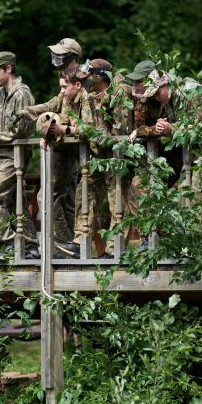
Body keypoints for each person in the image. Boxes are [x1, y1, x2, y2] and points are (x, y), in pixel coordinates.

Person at [25, 69, 103, 257]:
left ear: (77, 85)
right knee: (47, 197)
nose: (61, 91)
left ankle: (74, 245)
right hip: (73, 155)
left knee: (83, 201)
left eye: (64, 87)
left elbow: (89, 129)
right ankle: (64, 243)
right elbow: (59, 120)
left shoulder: (86, 98)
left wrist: (63, 129)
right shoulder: (66, 99)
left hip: (97, 156)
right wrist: (49, 134)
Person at [0, 51, 38, 260]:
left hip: (16, 156)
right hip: (1, 155)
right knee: (13, 201)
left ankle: (11, 241)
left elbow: (23, 128)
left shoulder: (22, 93)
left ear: (9, 69)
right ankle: (30, 246)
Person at [79, 58, 134, 257]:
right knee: (88, 195)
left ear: (99, 76)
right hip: (103, 155)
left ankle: (113, 251)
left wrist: (103, 108)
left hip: (119, 156)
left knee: (117, 202)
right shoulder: (96, 93)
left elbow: (121, 130)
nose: (86, 82)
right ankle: (88, 247)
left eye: (89, 77)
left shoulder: (120, 91)